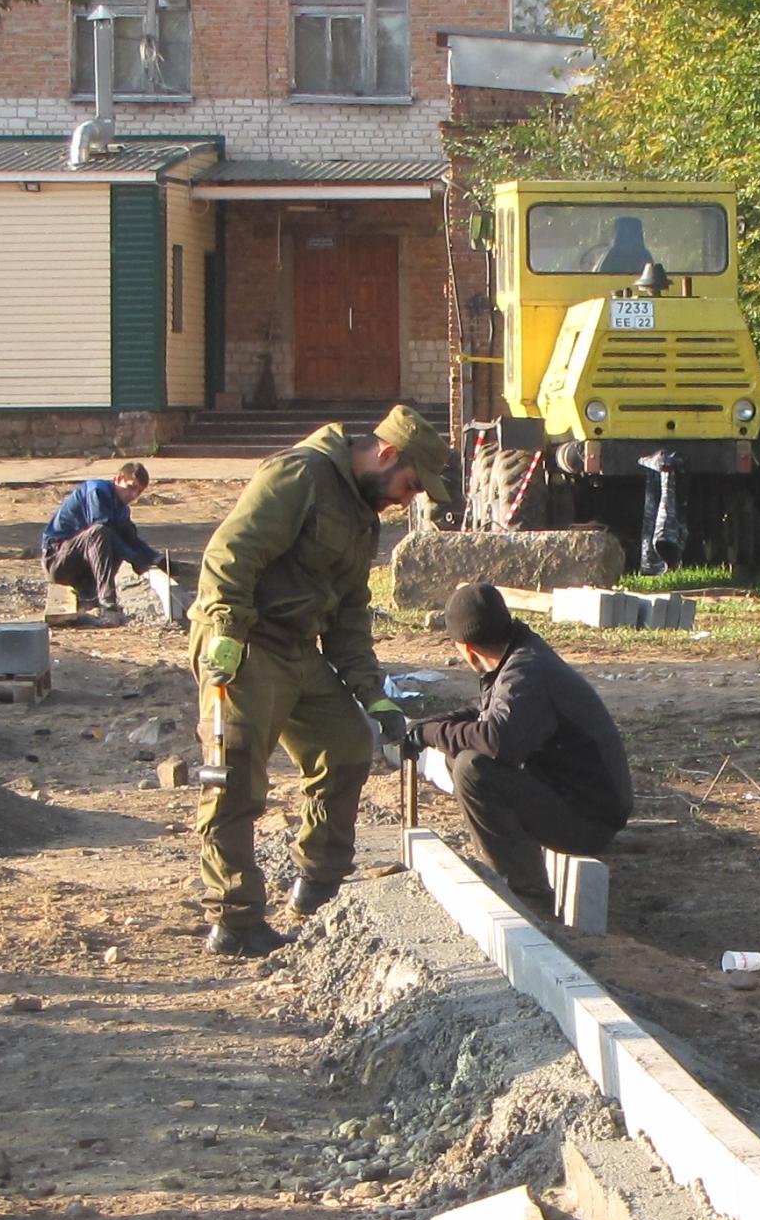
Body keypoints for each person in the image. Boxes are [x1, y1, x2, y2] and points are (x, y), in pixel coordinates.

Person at [188, 405, 449, 955]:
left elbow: (350, 613)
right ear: (387, 454)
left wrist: (373, 696)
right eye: (410, 485)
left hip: (299, 649)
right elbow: (231, 554)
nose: (408, 500)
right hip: (246, 642)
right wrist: (227, 632)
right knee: (235, 777)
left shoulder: (364, 515)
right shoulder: (299, 473)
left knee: (346, 747)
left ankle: (319, 883)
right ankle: (235, 920)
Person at [417, 582, 632, 909]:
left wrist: (430, 734)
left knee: (472, 769)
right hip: (579, 800)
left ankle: (528, 899)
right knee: (460, 754)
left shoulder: (525, 671)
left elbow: (495, 740)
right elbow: (484, 712)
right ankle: (508, 871)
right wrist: (430, 726)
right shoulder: (520, 655)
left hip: (589, 820)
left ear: (467, 648)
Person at [39, 461, 167, 622]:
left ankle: (90, 595)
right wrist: (134, 559)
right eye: (131, 487)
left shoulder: (122, 509)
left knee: (122, 534)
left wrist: (156, 559)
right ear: (118, 479)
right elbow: (101, 530)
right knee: (101, 533)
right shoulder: (97, 491)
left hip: (80, 566)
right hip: (58, 560)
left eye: (139, 491)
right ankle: (107, 602)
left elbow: (131, 540)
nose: (133, 495)